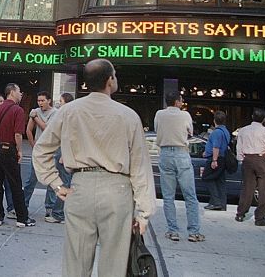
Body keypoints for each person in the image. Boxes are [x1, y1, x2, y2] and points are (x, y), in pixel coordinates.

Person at [33, 59, 156, 277]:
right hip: (117, 190)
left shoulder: (68, 111)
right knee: (114, 265)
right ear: (110, 80)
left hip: (80, 186)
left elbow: (41, 150)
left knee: (75, 264)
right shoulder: (128, 115)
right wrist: (144, 212)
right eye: (114, 75)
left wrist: (55, 183)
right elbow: (140, 166)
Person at [155, 91, 204, 242]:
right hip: (181, 153)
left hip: (165, 153)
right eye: (181, 100)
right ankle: (193, 232)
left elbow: (157, 130)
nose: (182, 102)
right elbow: (190, 132)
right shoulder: (185, 115)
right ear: (177, 102)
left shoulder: (159, 114)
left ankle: (172, 231)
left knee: (168, 196)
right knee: (190, 195)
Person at [0, 83, 34, 227]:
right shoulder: (17, 110)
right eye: (19, 91)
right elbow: (18, 134)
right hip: (8, 148)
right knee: (15, 184)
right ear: (12, 92)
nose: (21, 94)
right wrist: (19, 150)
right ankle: (22, 218)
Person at [23, 91, 57, 215]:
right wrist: (33, 144)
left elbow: (47, 128)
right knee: (31, 179)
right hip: (38, 151)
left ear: (49, 101)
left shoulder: (55, 113)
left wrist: (35, 117)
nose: (40, 103)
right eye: (38, 101)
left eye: (42, 100)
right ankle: (24, 203)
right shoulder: (36, 111)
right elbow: (28, 129)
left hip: (51, 151)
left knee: (51, 180)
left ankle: (49, 206)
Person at [44, 92, 74, 223]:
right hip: (63, 151)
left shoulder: (68, 116)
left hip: (64, 152)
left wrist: (64, 154)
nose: (59, 104)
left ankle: (58, 213)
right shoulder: (70, 115)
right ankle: (57, 210)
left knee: (63, 181)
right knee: (63, 180)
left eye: (60, 101)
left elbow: (69, 137)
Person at [203, 110, 231, 210]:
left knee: (207, 177)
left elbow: (216, 147)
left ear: (214, 120)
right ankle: (222, 203)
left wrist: (214, 160)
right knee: (220, 181)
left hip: (215, 158)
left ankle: (216, 202)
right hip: (223, 158)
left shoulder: (216, 132)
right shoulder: (226, 131)